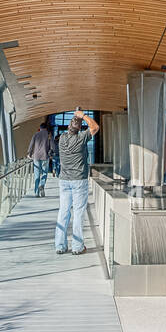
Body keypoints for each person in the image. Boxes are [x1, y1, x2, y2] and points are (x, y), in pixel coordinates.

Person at [55, 108, 99, 255]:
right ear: (80, 128)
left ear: (68, 126)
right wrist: (83, 116)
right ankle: (77, 247)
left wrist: (75, 120)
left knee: (63, 212)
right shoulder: (81, 138)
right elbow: (95, 127)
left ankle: (60, 245)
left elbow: (73, 128)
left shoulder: (61, 138)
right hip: (79, 181)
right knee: (78, 213)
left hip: (64, 181)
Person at [27, 121, 53, 197]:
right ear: (46, 128)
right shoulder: (48, 135)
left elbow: (31, 145)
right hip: (45, 156)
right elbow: (52, 146)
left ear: (40, 128)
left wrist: (29, 153)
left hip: (36, 156)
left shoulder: (36, 134)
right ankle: (42, 185)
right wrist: (53, 153)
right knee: (45, 173)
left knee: (37, 174)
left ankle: (36, 192)